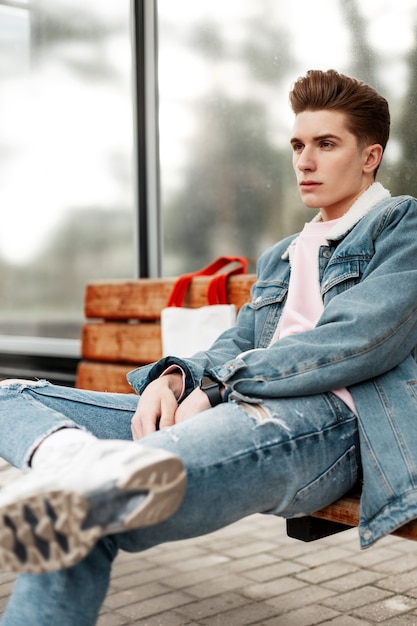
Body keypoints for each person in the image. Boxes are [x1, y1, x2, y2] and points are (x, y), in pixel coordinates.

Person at [1, 68, 417, 625]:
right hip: (237, 407)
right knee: (17, 405)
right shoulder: (285, 252)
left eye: (326, 144)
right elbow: (236, 341)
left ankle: (87, 477)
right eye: (297, 144)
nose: (304, 161)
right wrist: (175, 379)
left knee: (79, 508)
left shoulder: (400, 227)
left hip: (328, 421)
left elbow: (359, 343)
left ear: (370, 157)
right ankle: (73, 461)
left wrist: (222, 385)